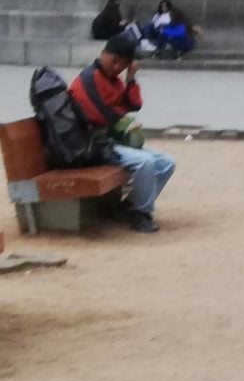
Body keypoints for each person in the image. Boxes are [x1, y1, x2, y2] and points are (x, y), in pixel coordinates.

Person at [71, 29, 176, 234]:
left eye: (123, 64)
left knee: (166, 163)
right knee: (145, 162)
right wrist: (124, 120)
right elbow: (105, 115)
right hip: (93, 145)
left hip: (109, 141)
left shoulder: (113, 80)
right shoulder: (88, 78)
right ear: (104, 53)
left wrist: (130, 79)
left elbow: (133, 104)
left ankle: (129, 206)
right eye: (115, 61)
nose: (117, 67)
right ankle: (141, 213)